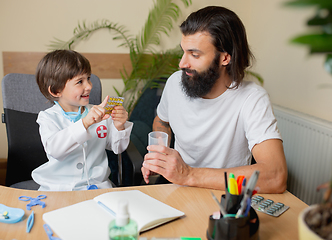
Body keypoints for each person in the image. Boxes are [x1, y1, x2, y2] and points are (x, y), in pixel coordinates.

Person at [141, 6, 287, 193]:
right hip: (177, 190)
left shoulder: (252, 98)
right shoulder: (175, 82)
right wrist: (160, 158)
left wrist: (188, 174)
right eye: (183, 51)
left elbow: (276, 175)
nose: (182, 63)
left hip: (225, 197)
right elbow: (162, 121)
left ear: (225, 58)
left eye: (194, 55)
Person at [32, 50, 133, 191]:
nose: (89, 86)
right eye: (80, 82)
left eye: (89, 78)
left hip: (98, 186)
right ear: (56, 91)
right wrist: (85, 123)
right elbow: (55, 150)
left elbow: (118, 148)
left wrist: (119, 126)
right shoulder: (48, 118)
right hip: (60, 189)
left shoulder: (100, 113)